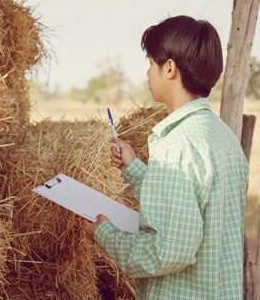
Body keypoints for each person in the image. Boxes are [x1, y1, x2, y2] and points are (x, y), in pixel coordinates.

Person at [84, 16, 249, 299]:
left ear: (169, 68)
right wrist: (134, 169)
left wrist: (105, 235)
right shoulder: (223, 136)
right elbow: (190, 201)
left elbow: (166, 252)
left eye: (150, 63)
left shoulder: (177, 145)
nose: (148, 73)